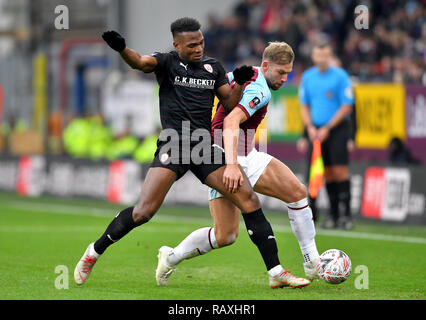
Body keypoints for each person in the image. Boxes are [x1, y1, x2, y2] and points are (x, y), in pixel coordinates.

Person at [73, 18, 299, 289]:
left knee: (248, 197)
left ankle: (275, 272)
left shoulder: (212, 67)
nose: (198, 48)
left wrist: (238, 84)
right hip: (174, 144)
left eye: (201, 42)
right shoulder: (166, 62)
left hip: (203, 146)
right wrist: (122, 49)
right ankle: (93, 253)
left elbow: (228, 102)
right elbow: (139, 63)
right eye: (192, 45)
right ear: (176, 44)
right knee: (143, 212)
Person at [156, 42, 315, 288]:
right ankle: (172, 256)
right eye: (281, 72)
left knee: (296, 193)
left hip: (246, 154)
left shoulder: (245, 74)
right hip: (224, 156)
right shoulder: (259, 91)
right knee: (226, 234)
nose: (285, 78)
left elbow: (218, 93)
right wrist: (230, 165)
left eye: (289, 73)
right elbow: (231, 122)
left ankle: (312, 263)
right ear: (265, 65)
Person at [299, 42, 354, 230]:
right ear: (314, 57)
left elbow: (347, 106)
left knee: (339, 171)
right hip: (316, 131)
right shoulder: (308, 77)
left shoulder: (340, 76)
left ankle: (346, 215)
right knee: (325, 173)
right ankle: (333, 215)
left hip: (336, 130)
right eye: (318, 55)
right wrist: (309, 128)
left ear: (329, 56)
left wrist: (328, 127)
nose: (321, 59)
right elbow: (304, 105)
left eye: (325, 56)